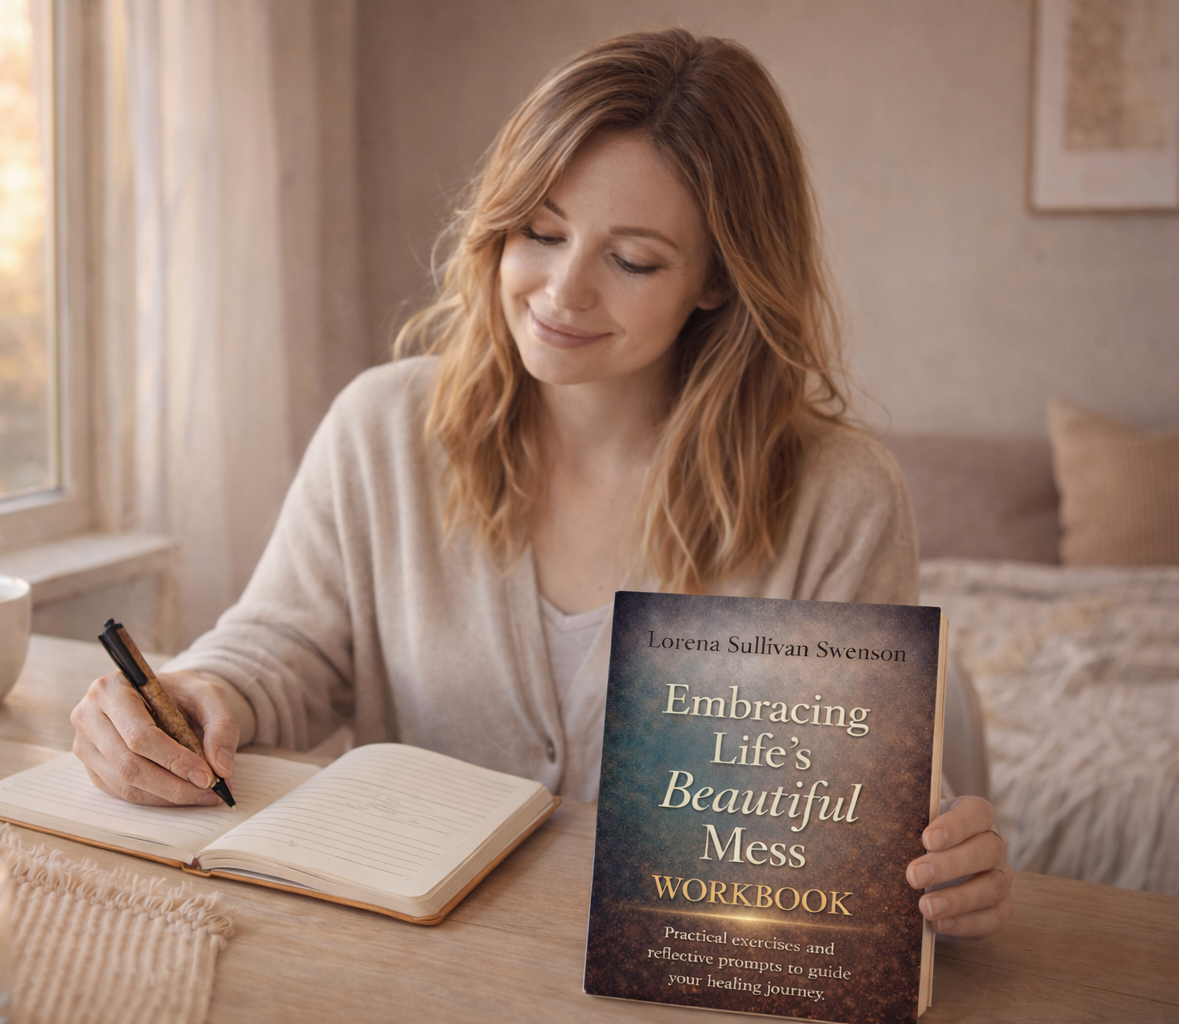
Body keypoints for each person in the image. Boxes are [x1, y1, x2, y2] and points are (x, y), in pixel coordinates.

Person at [71, 29, 1013, 937]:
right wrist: (199, 695)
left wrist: (940, 873)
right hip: (421, 968)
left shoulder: (840, 496)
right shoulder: (382, 428)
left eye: (633, 259)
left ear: (719, 280)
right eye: (541, 230)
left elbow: (855, 817)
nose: (562, 292)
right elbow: (286, 646)